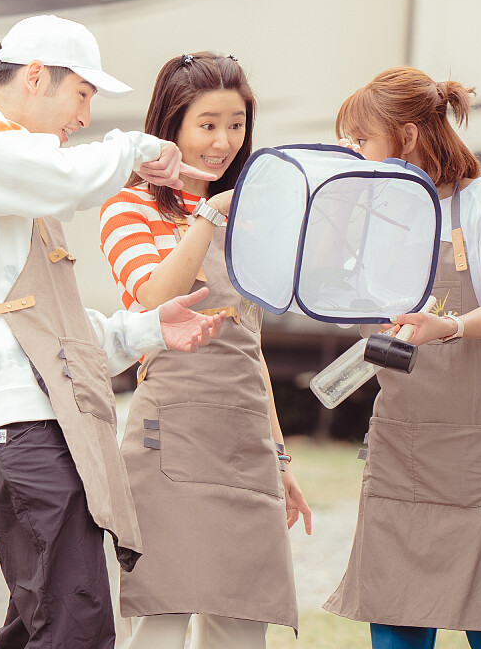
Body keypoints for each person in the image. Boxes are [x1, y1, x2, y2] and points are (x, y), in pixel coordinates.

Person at [0, 15, 225, 649]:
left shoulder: (5, 177)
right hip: (15, 416)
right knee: (73, 621)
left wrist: (148, 329)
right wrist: (135, 149)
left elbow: (56, 332)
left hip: (33, 412)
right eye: (82, 95)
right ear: (35, 75)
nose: (83, 118)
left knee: (42, 621)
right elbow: (64, 177)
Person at [323, 67, 481, 649]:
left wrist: (445, 326)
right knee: (394, 604)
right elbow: (350, 307)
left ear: (409, 136)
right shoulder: (382, 213)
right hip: (406, 436)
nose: (356, 153)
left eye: (363, 139)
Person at [99, 52, 311, 649]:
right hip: (172, 434)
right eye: (207, 124)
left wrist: (281, 458)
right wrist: (208, 215)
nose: (223, 142)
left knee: (242, 627)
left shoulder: (254, 218)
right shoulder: (128, 208)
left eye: (237, 124)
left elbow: (252, 347)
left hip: (245, 440)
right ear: (172, 127)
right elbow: (153, 300)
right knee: (160, 620)